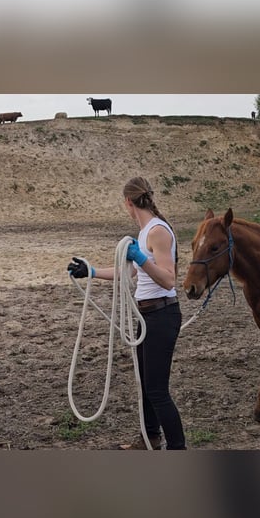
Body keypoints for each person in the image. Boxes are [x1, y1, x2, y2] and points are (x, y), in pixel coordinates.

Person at [67, 176, 186, 450]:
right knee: (146, 384)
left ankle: (178, 447)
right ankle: (151, 438)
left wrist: (141, 258)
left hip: (162, 315)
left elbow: (169, 280)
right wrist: (91, 272)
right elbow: (128, 272)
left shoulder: (157, 232)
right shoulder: (143, 233)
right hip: (147, 316)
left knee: (157, 389)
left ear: (128, 202)